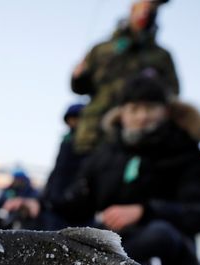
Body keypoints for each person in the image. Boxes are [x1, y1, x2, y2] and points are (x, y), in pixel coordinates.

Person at [5, 74, 200, 265]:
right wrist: (39, 206)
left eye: (150, 108)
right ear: (122, 113)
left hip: (166, 250)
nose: (142, 116)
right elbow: (76, 203)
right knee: (40, 222)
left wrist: (144, 211)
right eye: (134, 109)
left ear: (166, 111)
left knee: (159, 233)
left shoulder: (190, 156)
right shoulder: (105, 154)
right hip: (113, 244)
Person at [71, 0, 179, 155]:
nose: (145, 12)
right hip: (93, 134)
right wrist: (78, 77)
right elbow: (80, 88)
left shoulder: (162, 56)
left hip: (137, 139)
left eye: (151, 8)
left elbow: (172, 94)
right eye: (141, 6)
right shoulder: (101, 49)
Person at [39, 103, 89, 229]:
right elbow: (57, 170)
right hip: (56, 202)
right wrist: (47, 194)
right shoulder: (66, 141)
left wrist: (70, 195)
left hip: (75, 207)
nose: (73, 123)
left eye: (76, 119)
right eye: (71, 120)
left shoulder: (88, 143)